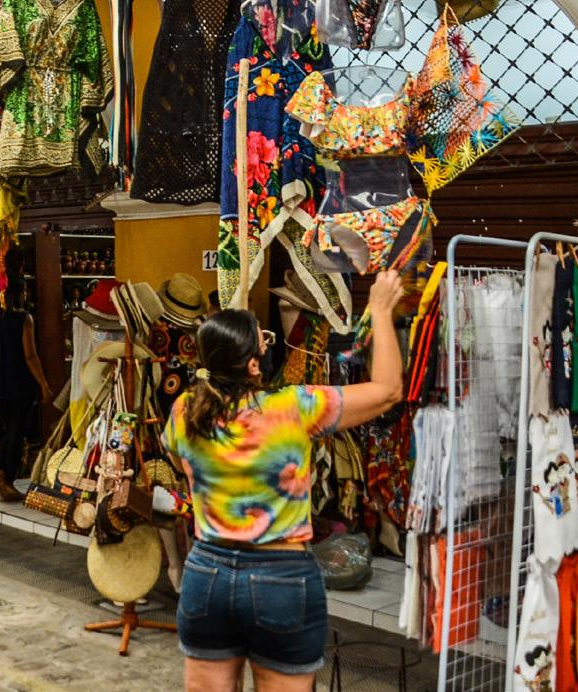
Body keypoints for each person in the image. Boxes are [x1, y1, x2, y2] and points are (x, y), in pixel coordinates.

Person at [164, 270, 405, 692]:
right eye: (264, 341)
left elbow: (179, 459)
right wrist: (381, 311)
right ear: (253, 364)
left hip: (207, 574)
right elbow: (387, 390)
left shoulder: (184, 411)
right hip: (281, 578)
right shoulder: (295, 407)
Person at [0, 281, 51, 502]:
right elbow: (30, 355)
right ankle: (6, 480)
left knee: (8, 431)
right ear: (17, 294)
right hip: (20, 383)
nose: (26, 294)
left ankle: (0, 476)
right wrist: (43, 384)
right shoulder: (24, 319)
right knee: (16, 432)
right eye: (24, 290)